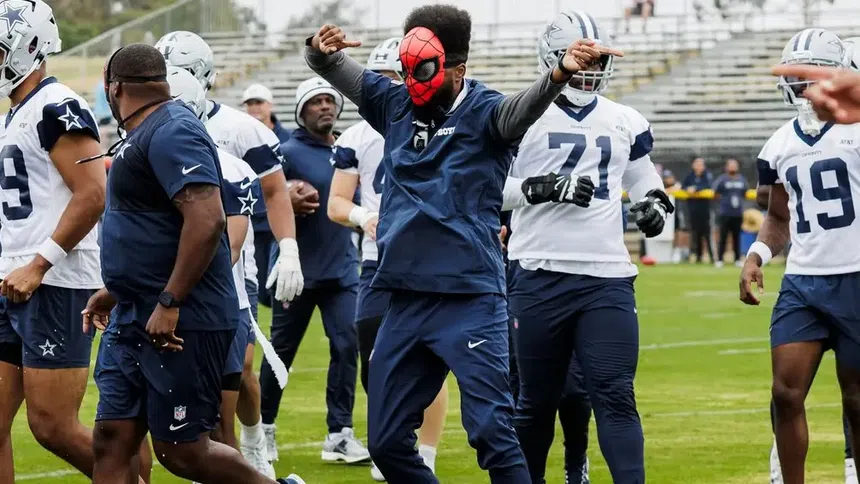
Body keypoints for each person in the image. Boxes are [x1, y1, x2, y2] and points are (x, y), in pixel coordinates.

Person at [305, 4, 622, 482]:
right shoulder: (394, 103)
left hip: (470, 298)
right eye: (408, 71)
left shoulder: (487, 112)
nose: (413, 85)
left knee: (493, 433)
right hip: (404, 298)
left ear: (458, 69)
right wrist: (319, 50)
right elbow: (333, 68)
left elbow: (521, 109)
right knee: (386, 444)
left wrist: (559, 73)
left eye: (424, 72)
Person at [84, 43, 305, 484]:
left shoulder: (172, 129)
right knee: (112, 438)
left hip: (183, 317)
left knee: (184, 451)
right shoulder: (145, 131)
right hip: (135, 312)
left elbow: (207, 220)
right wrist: (120, 288)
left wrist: (171, 300)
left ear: (115, 88)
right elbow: (157, 228)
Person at [503, 11, 672, 484]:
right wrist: (540, 188)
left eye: (598, 59)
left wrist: (656, 204)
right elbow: (486, 188)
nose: (592, 68)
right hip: (539, 271)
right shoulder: (520, 114)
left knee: (615, 395)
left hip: (607, 276)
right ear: (552, 57)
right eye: (583, 58)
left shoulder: (624, 119)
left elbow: (643, 177)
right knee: (535, 402)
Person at [0, 2, 149, 483]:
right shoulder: (14, 114)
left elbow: (93, 194)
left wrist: (38, 264)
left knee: (52, 426)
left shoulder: (56, 105)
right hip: (13, 275)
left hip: (54, 279)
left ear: (29, 47)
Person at [155, 30, 302, 467]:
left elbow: (274, 192)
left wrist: (289, 248)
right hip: (169, 269)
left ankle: (254, 441)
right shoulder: (152, 125)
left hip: (233, 271)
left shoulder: (241, 129)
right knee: (205, 389)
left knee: (241, 372)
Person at [739, 29, 860, 484]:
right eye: (797, 76)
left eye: (812, 75)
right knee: (785, 393)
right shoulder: (777, 145)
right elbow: (778, 216)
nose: (803, 86)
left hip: (856, 276)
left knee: (857, 401)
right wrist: (756, 255)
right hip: (803, 282)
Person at [327, 37, 449, 481]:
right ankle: (393, 440)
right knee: (374, 357)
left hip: (430, 259)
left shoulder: (439, 125)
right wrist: (364, 217)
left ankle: (426, 452)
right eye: (376, 78)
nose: (385, 87)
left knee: (431, 360)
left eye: (393, 77)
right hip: (377, 260)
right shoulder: (357, 137)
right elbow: (336, 203)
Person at [165, 65, 277, 480]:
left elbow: (228, 246)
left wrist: (172, 292)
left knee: (220, 415)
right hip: (168, 300)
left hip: (214, 302)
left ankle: (255, 450)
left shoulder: (231, 169)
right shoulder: (147, 160)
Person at [262, 76, 369, 465]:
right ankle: (263, 428)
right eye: (315, 102)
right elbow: (260, 199)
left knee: (347, 346)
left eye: (329, 100)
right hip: (297, 272)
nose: (324, 106)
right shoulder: (286, 152)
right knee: (281, 353)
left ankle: (339, 434)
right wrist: (285, 199)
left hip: (341, 270)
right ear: (300, 111)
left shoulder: (347, 150)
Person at [242, 82, 291, 309]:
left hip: (280, 217)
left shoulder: (287, 139)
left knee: (280, 279)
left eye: (259, 102)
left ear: (270, 105)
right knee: (261, 289)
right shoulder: (240, 136)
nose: (254, 107)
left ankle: (285, 317)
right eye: (250, 103)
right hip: (253, 220)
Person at [712, 158, 748, 268]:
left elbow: (745, 193)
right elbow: (715, 193)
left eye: (734, 165)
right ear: (726, 167)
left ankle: (737, 259)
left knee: (737, 237)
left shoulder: (742, 180)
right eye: (731, 165)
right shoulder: (722, 179)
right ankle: (719, 259)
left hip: (737, 213)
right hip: (725, 213)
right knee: (723, 237)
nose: (733, 167)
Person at [682, 157, 714, 263]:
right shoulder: (689, 176)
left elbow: (709, 186)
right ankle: (698, 256)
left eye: (701, 164)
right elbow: (683, 187)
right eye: (697, 164)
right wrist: (688, 189)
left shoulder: (707, 176)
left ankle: (712, 257)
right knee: (695, 234)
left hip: (705, 210)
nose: (699, 166)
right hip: (693, 209)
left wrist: (696, 189)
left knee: (707, 234)